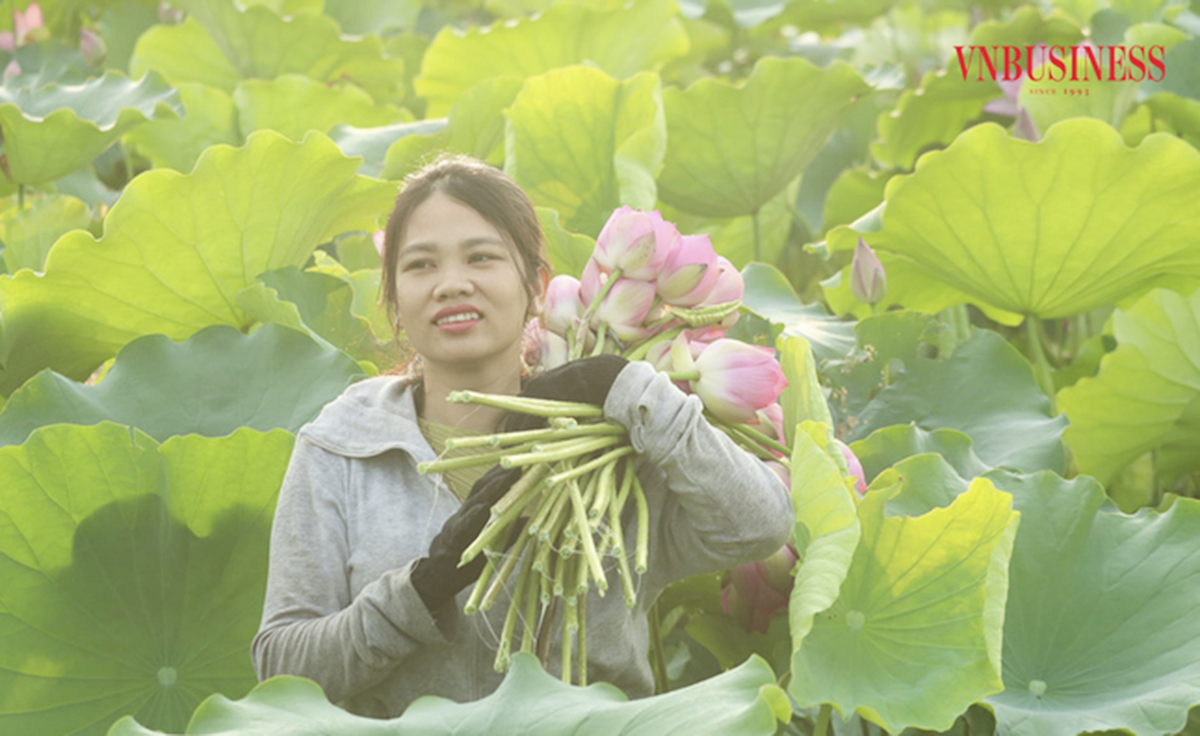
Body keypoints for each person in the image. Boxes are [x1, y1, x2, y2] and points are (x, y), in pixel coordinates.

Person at [251, 155, 793, 719]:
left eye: (481, 257)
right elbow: (282, 666)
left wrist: (624, 384)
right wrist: (417, 594)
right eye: (420, 266)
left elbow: (759, 526)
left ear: (536, 288)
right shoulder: (340, 448)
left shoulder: (612, 447)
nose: (451, 284)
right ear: (393, 301)